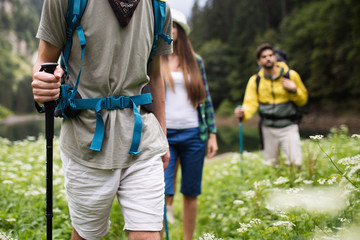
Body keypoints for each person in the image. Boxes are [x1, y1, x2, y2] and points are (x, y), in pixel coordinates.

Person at [31, 0, 172, 239]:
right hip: (85, 141)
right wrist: (42, 84)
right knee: (87, 235)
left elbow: (155, 76)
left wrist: (163, 137)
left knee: (148, 233)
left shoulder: (159, 7)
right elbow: (44, 61)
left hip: (143, 139)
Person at [161, 9, 218, 240]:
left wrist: (212, 134)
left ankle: (187, 238)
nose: (171, 30)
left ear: (182, 32)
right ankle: (161, 233)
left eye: (175, 26)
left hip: (194, 134)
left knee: (191, 191)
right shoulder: (156, 59)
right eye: (168, 26)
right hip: (165, 135)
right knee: (164, 189)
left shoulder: (196, 62)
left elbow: (205, 98)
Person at [234, 43, 308, 169]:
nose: (268, 58)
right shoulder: (255, 80)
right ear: (259, 61)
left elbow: (303, 100)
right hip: (267, 128)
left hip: (289, 126)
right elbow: (250, 103)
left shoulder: (291, 76)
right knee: (271, 166)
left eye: (271, 55)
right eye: (264, 56)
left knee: (296, 163)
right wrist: (243, 114)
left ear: (275, 58)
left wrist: (294, 90)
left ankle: (295, 186)